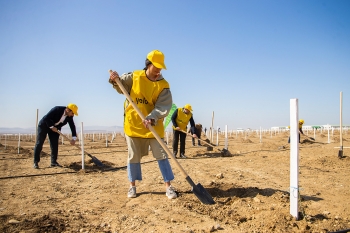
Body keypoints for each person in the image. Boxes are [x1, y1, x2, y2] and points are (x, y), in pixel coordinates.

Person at [108, 50, 177, 200]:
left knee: (162, 155)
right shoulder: (134, 76)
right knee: (133, 156)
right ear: (148, 64)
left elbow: (163, 106)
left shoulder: (163, 85)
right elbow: (121, 87)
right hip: (133, 124)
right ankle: (132, 187)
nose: (158, 70)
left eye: (160, 67)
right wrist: (115, 79)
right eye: (156, 66)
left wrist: (152, 118)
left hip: (153, 126)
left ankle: (169, 187)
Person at [33, 104, 78, 169]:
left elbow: (72, 126)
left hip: (55, 129)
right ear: (68, 110)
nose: (73, 115)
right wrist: (51, 126)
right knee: (39, 143)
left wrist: (74, 138)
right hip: (44, 126)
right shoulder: (57, 109)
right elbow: (46, 118)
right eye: (72, 113)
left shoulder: (69, 116)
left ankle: (53, 162)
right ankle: (36, 162)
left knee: (54, 144)